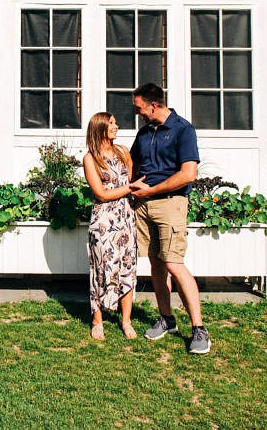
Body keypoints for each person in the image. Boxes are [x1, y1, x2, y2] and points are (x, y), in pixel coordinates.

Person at [129, 83, 210, 354]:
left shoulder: (182, 130)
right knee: (156, 264)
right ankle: (167, 319)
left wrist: (151, 189)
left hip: (170, 204)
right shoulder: (144, 133)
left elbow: (188, 174)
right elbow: (133, 164)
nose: (137, 112)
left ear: (153, 105)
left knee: (174, 263)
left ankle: (199, 329)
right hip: (144, 206)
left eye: (139, 107)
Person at [83, 112, 147, 340]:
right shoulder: (90, 158)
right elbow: (100, 193)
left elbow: (132, 180)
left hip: (125, 217)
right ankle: (97, 320)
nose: (116, 126)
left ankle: (126, 321)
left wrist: (132, 189)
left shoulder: (123, 152)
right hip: (103, 221)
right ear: (99, 128)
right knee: (102, 268)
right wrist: (130, 189)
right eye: (111, 123)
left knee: (127, 267)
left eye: (115, 122)